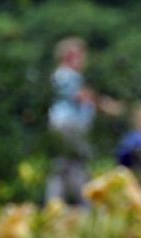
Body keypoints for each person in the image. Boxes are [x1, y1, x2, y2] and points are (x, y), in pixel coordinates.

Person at [47, 37, 120, 204]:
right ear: (70, 56)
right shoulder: (66, 75)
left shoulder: (65, 76)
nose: (84, 59)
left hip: (65, 125)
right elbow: (83, 96)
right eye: (81, 55)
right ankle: (85, 204)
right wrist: (108, 106)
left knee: (62, 165)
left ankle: (55, 203)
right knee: (78, 163)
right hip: (69, 125)